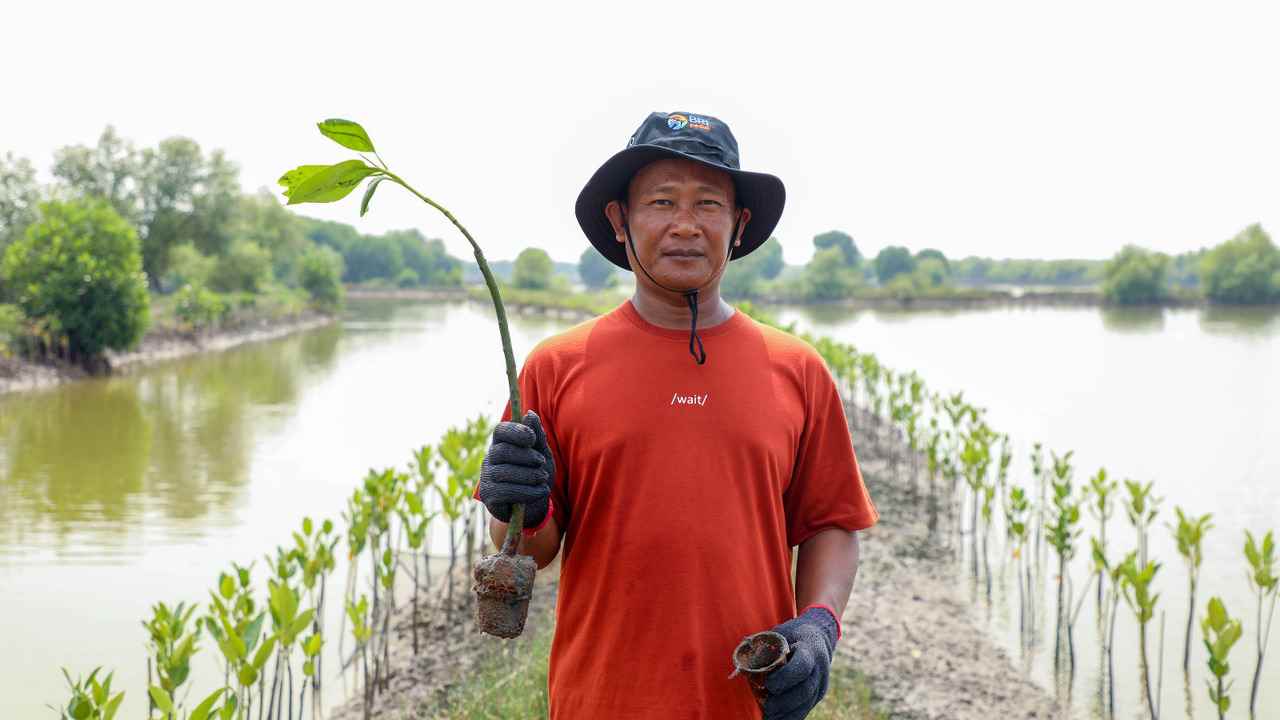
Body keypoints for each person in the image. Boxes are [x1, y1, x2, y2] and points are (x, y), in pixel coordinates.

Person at [475, 111, 878, 719]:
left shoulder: (797, 369)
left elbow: (831, 523)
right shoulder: (554, 368)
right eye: (662, 201)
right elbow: (530, 550)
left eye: (709, 204)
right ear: (621, 221)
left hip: (746, 702)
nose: (686, 225)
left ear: (739, 225)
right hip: (597, 701)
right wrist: (521, 509)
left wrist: (820, 623)